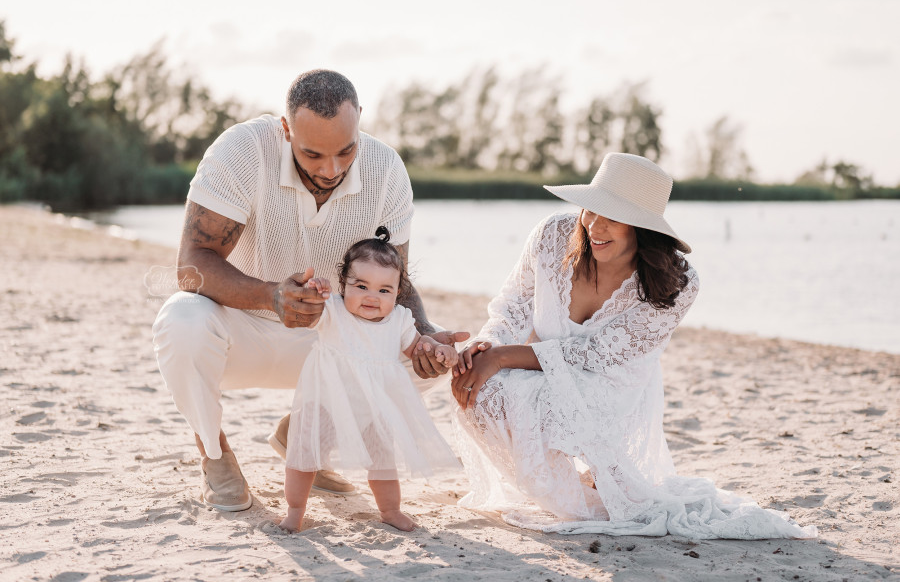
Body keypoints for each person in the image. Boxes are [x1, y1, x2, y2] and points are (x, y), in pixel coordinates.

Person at [451, 153, 817, 540]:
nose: (594, 225)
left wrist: (503, 357)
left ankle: (582, 501)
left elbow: (595, 356)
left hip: (610, 384)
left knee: (532, 398)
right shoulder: (553, 235)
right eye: (590, 210)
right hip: (539, 364)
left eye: (612, 215)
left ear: (644, 227)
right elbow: (511, 305)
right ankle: (565, 492)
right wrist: (483, 347)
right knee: (477, 390)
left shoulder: (677, 283)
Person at [151, 69, 468, 512]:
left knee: (420, 359)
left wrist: (427, 331)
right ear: (286, 130)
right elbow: (191, 265)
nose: (331, 169)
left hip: (332, 338)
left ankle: (305, 437)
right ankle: (215, 454)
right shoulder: (242, 151)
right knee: (180, 319)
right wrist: (270, 296)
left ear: (360, 122)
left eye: (345, 150)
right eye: (312, 154)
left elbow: (397, 282)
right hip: (242, 329)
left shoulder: (386, 168)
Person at [279, 228, 461, 532]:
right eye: (361, 285)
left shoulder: (400, 320)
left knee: (383, 461)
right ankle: (294, 511)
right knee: (304, 457)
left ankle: (390, 510)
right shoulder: (333, 310)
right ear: (343, 284)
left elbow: (419, 347)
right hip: (326, 400)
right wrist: (314, 290)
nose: (371, 297)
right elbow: (307, 313)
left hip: (375, 406)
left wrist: (440, 349)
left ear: (397, 293)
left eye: (384, 290)